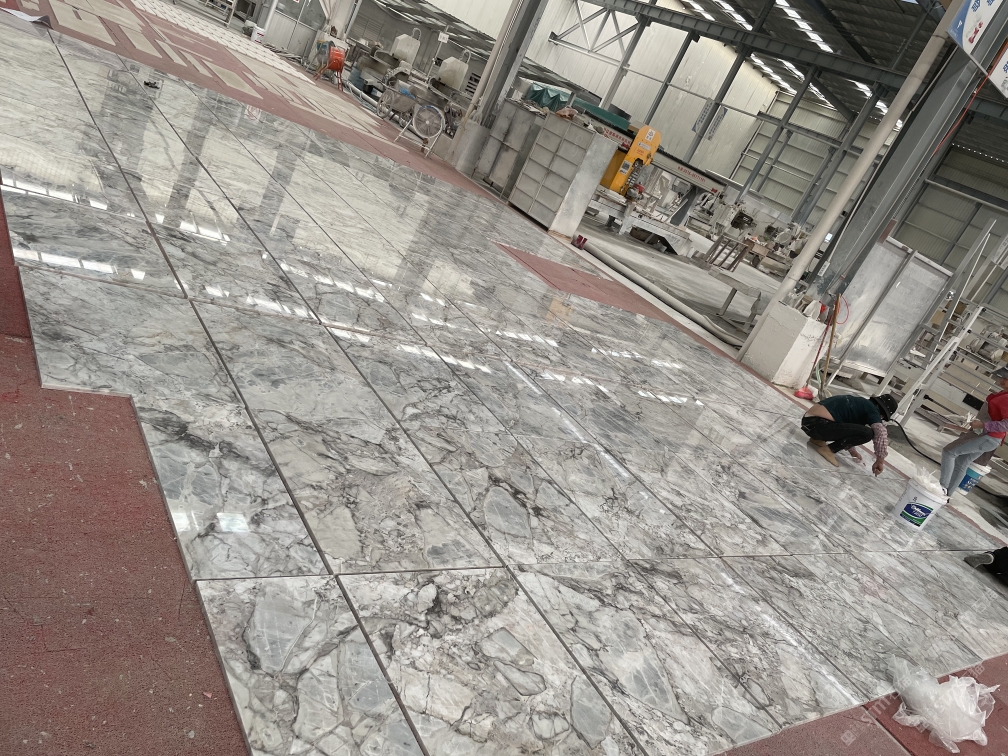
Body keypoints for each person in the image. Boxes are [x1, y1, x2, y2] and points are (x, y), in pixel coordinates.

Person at [939, 366, 1008, 496]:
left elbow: (1006, 424)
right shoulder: (1003, 394)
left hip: (988, 437)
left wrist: (982, 425)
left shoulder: (1006, 398)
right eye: (1002, 377)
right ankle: (947, 494)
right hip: (988, 437)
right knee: (962, 462)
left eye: (1006, 378)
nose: (1002, 380)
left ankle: (942, 488)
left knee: (949, 452)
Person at [801, 392, 898, 475]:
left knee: (853, 426)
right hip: (818, 425)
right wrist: (880, 460)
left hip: (809, 424)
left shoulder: (861, 403)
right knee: (868, 433)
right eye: (882, 417)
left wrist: (852, 451)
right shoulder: (873, 410)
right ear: (882, 414)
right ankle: (828, 450)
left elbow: (848, 429)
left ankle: (817, 439)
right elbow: (880, 433)